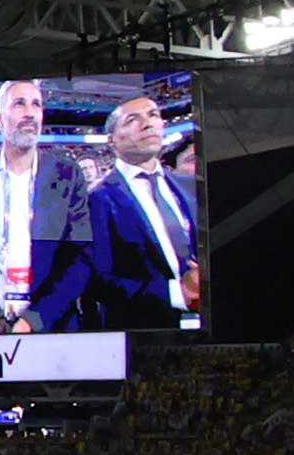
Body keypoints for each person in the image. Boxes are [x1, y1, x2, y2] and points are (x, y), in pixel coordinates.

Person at [77, 88, 206, 330]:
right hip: (143, 333)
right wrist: (176, 293)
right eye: (132, 120)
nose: (147, 124)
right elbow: (96, 279)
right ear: (112, 140)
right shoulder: (97, 200)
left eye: (153, 115)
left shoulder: (190, 187)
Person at [0, 78, 95, 329]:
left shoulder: (67, 174)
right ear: (0, 120)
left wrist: (34, 319)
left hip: (53, 324)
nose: (30, 113)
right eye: (19, 104)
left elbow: (81, 259)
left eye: (37, 105)